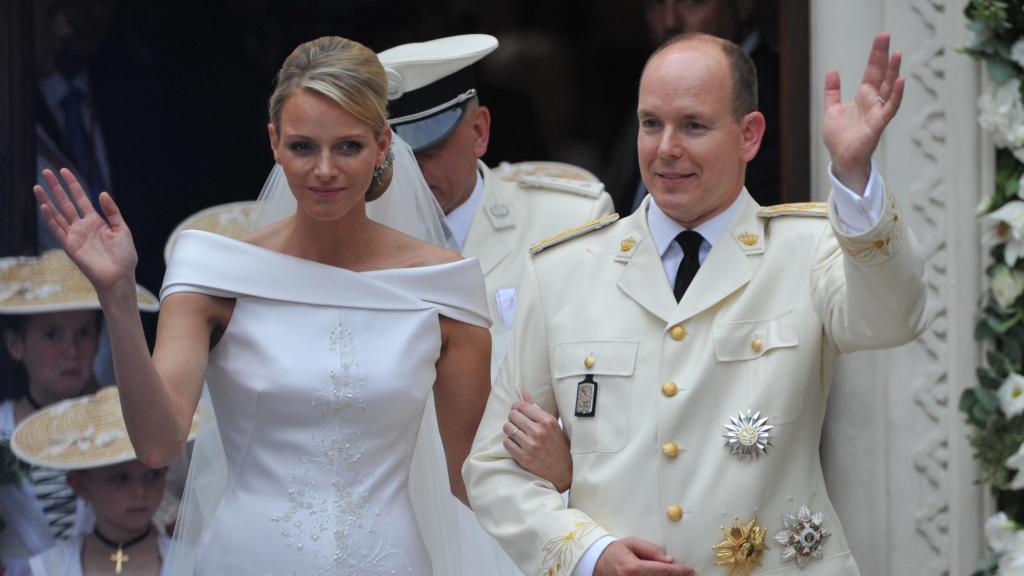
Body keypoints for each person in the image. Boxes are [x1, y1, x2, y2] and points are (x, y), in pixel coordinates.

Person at [31, 35, 497, 575]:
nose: (325, 169)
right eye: (303, 146)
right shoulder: (211, 271)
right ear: (274, 142)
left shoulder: (445, 285)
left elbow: (472, 481)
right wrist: (117, 296)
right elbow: (159, 446)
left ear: (383, 143)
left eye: (348, 146)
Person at [465, 32, 926, 576]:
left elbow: (893, 317)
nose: (666, 149)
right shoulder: (562, 270)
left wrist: (854, 177)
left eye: (693, 125)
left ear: (749, 136)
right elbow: (495, 468)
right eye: (651, 123)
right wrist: (589, 554)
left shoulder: (811, 248)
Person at [379, 34, 614, 376]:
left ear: (479, 131)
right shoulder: (353, 234)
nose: (413, 172)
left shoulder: (568, 222)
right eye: (395, 155)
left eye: (428, 150)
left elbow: (594, 369)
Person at [0, 250, 158, 571]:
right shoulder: (1, 428)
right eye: (52, 335)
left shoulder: (128, 422)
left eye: (83, 333)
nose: (71, 351)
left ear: (100, 339)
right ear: (16, 344)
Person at [605, 0, 780, 214]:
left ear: (743, 5)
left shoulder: (782, 92)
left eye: (692, 3)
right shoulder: (650, 84)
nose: (670, 21)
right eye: (656, 4)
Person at [9, 387, 200, 576]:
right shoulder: (49, 568)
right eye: (120, 478)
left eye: (152, 475)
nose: (140, 491)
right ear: (80, 485)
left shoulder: (190, 564)